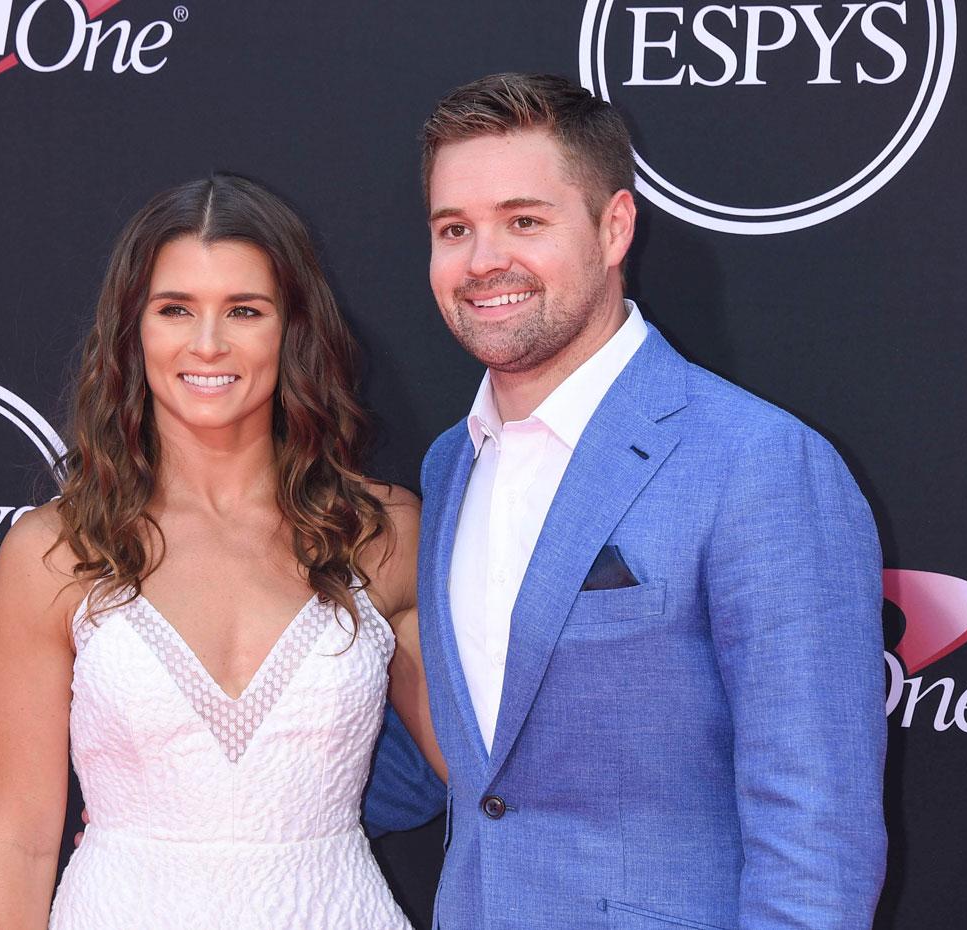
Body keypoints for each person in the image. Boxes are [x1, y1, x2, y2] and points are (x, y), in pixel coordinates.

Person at [365, 72, 887, 929]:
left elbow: (817, 835)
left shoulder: (759, 463)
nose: (483, 259)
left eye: (524, 221)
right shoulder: (449, 465)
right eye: (454, 228)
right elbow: (475, 775)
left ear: (614, 228)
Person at [0, 174, 443, 930]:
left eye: (244, 310)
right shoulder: (55, 553)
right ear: (133, 329)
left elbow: (497, 781)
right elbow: (17, 844)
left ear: (293, 330)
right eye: (175, 309)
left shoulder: (381, 534)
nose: (208, 342)